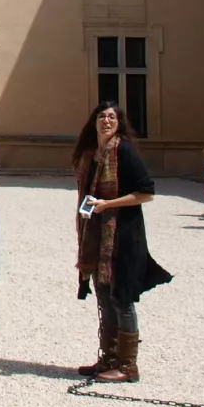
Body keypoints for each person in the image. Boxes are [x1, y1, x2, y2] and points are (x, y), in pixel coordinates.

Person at [73, 101, 171, 384]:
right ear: (94, 122)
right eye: (102, 116)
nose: (106, 121)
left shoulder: (124, 151)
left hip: (123, 234)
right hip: (96, 235)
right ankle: (109, 357)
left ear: (119, 122)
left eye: (112, 117)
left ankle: (128, 366)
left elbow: (146, 193)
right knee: (103, 296)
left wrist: (109, 204)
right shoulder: (90, 155)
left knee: (121, 298)